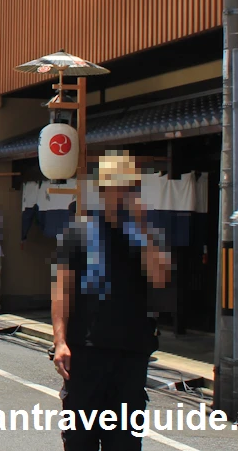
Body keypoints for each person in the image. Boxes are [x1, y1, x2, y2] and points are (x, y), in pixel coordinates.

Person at [52, 155, 170, 451]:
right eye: (119, 186)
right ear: (103, 189)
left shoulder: (144, 234)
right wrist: (60, 341)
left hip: (131, 353)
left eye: (131, 187)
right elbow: (62, 290)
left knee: (126, 443)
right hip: (86, 351)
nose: (126, 193)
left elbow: (160, 279)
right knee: (80, 439)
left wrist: (143, 228)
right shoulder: (78, 231)